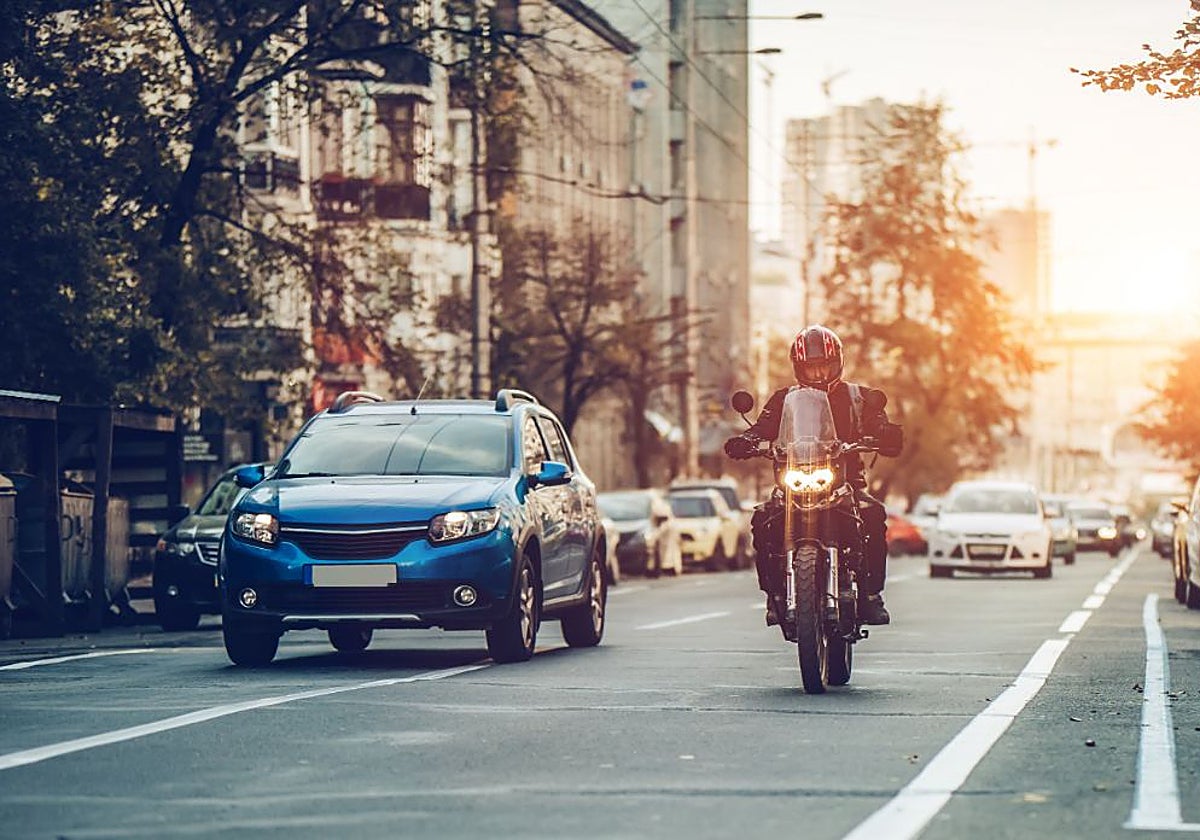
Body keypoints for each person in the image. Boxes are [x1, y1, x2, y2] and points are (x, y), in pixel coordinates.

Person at [723, 325, 901, 627]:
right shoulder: (783, 399)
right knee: (763, 519)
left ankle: (871, 596)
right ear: (799, 368)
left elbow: (880, 425)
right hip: (794, 480)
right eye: (811, 368)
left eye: (824, 367)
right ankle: (775, 595)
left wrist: (884, 434)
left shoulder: (860, 398)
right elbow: (761, 428)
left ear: (837, 364)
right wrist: (747, 441)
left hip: (845, 483)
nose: (818, 375)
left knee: (872, 514)